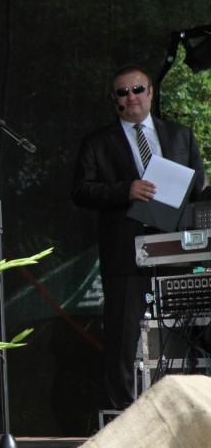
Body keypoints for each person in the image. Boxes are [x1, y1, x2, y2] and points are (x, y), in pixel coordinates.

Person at [72, 63, 207, 410]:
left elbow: (199, 190)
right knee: (122, 335)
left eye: (137, 89)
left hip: (176, 248)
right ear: (114, 100)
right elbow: (81, 191)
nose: (131, 97)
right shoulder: (98, 142)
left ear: (150, 93)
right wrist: (125, 190)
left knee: (193, 328)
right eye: (122, 92)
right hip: (126, 251)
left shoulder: (181, 135)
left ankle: (192, 405)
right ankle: (124, 413)